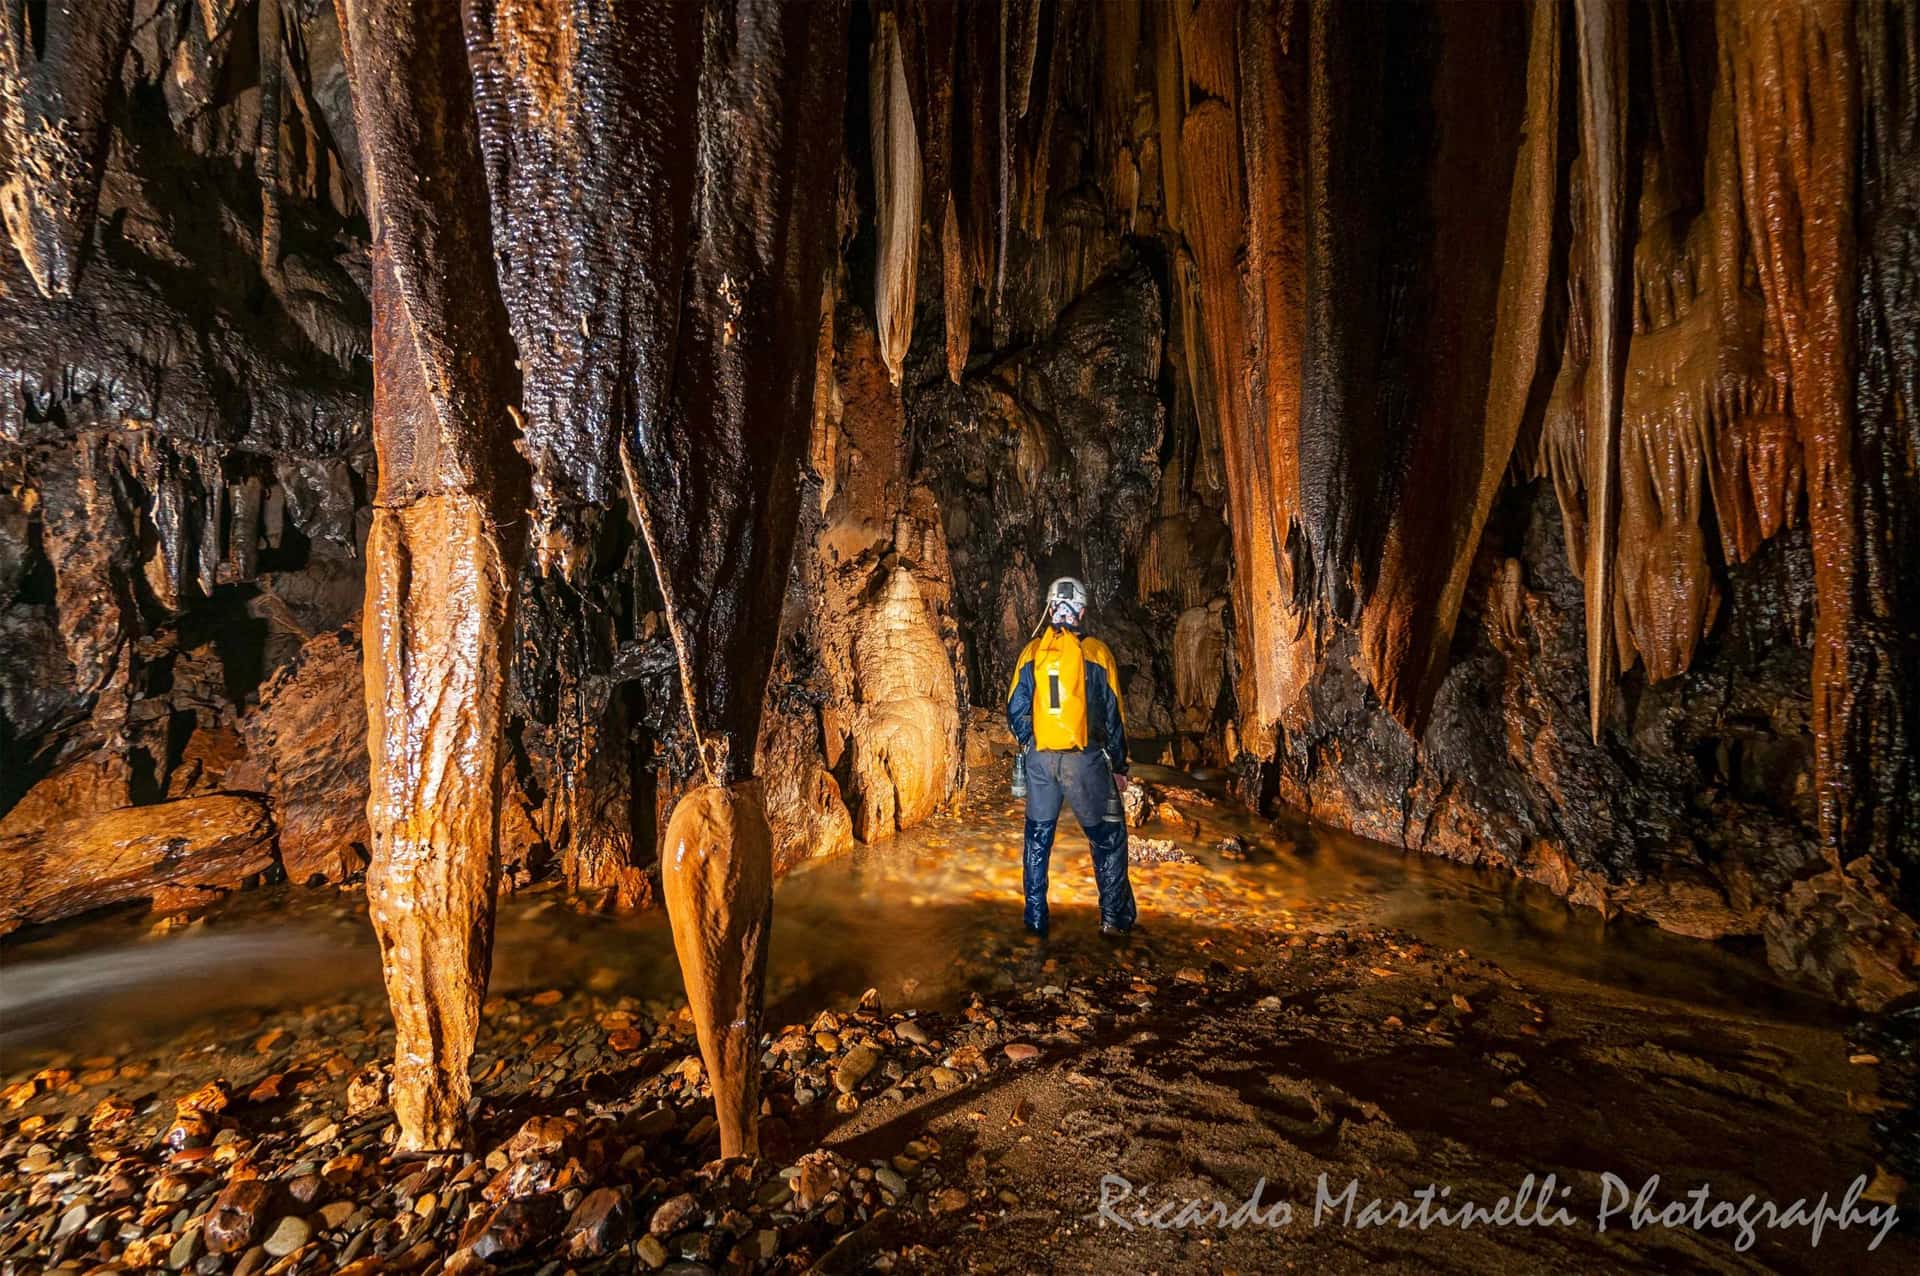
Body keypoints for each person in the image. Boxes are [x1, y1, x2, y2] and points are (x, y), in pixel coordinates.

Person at [1005, 576, 1137, 937]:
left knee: (1038, 838)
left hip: (1040, 760)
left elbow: (1014, 707)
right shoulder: (1096, 652)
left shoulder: (1032, 652)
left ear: (1050, 608)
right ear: (1081, 610)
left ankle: (1035, 920)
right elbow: (1114, 715)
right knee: (1107, 838)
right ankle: (1113, 921)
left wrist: (1031, 742)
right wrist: (1119, 765)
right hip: (1084, 760)